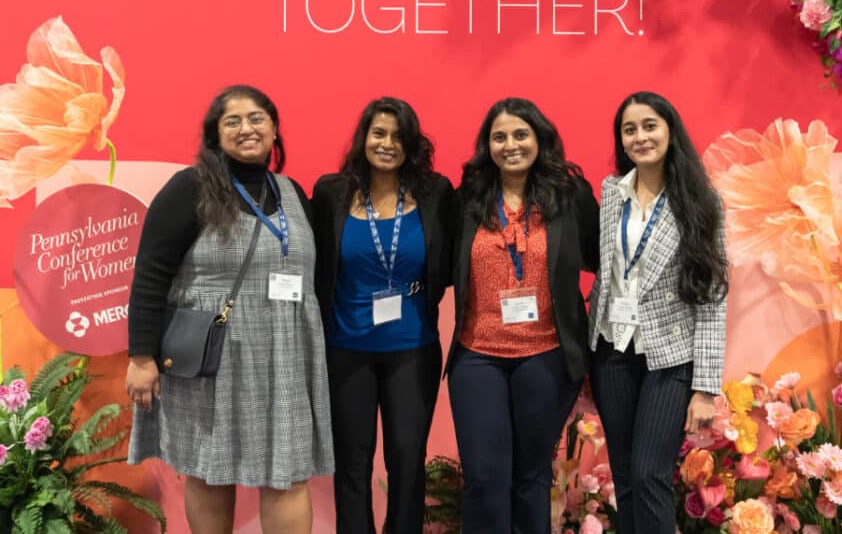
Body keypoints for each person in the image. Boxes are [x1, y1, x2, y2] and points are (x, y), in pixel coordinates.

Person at [125, 85, 333, 534]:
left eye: (257, 118)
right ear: (215, 135)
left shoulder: (294, 193)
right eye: (232, 121)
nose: (246, 129)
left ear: (274, 129)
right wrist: (141, 358)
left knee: (288, 474)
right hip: (213, 357)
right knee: (210, 470)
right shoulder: (190, 188)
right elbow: (150, 275)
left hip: (285, 356)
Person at [448, 97, 599, 534]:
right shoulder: (470, 198)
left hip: (546, 356)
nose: (510, 145)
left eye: (520, 134)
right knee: (483, 480)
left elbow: (599, 258)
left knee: (531, 479)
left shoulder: (570, 197)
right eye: (499, 137)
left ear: (539, 139)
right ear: (487, 146)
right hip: (478, 357)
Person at [588, 91, 729, 534]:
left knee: (650, 473)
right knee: (626, 477)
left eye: (649, 126)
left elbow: (711, 298)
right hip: (612, 350)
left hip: (669, 357)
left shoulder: (700, 202)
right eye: (629, 129)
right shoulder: (613, 193)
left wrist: (705, 388)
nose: (640, 137)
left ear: (670, 131)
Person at [312, 97, 454, 534]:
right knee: (352, 465)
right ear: (364, 138)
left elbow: (446, 264)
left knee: (408, 462)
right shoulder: (331, 192)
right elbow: (316, 264)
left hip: (412, 350)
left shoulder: (435, 193)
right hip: (345, 350)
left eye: (397, 135)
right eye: (379, 133)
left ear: (412, 144)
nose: (387, 143)